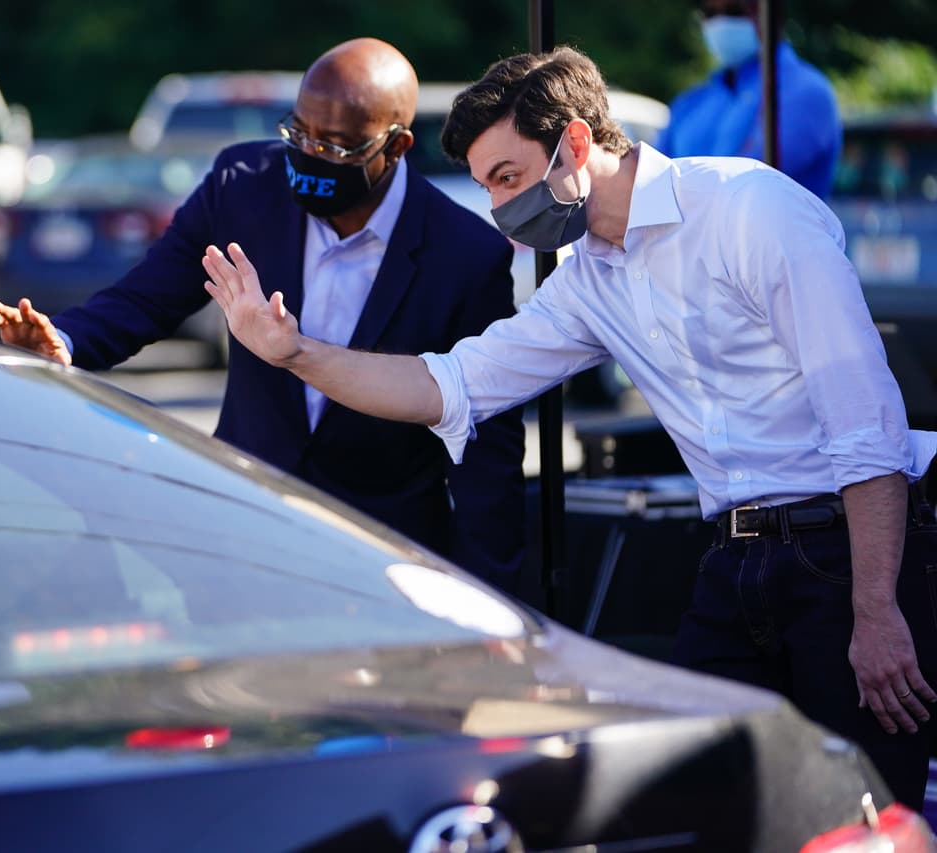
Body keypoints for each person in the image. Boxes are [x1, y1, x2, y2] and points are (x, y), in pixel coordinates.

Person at [201, 45, 937, 812]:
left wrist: (876, 608)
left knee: (869, 812)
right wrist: (293, 353)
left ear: (578, 142)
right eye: (487, 187)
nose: (498, 210)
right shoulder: (587, 280)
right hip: (735, 555)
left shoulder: (749, 208)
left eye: (509, 179)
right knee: (701, 807)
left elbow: (865, 421)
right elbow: (450, 383)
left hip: (855, 548)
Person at [0, 38, 527, 590]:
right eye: (300, 133)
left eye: (337, 146)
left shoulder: (465, 255)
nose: (311, 155)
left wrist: (493, 597)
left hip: (384, 554)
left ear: (397, 145)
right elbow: (146, 298)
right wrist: (65, 342)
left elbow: (485, 446)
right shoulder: (242, 186)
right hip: (241, 534)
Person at [657, 0, 842, 199]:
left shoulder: (807, 93)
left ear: (772, 15)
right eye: (710, 13)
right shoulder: (691, 103)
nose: (721, 22)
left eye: (735, 10)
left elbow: (750, 181)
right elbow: (652, 183)